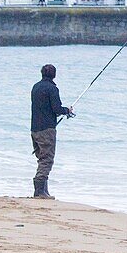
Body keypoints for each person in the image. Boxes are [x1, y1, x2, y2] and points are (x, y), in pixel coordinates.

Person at [31, 64, 74, 199]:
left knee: (41, 158)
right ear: (54, 75)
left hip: (34, 128)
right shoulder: (52, 89)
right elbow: (56, 109)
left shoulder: (35, 87)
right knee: (47, 159)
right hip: (47, 129)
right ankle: (39, 191)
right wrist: (67, 110)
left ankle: (43, 190)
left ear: (42, 73)